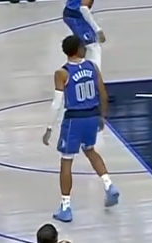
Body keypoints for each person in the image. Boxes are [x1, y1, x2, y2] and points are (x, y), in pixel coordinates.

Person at [42, 35, 119, 223]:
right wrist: (102, 116)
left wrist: (49, 127)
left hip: (74, 120)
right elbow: (103, 94)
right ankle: (109, 185)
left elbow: (57, 104)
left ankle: (66, 207)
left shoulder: (62, 73)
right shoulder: (92, 67)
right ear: (77, 49)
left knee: (66, 162)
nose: (85, 48)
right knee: (90, 151)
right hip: (92, 116)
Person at [62, 0, 111, 71]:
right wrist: (97, 29)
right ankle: (95, 76)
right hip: (75, 16)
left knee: (84, 46)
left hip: (72, 13)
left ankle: (80, 70)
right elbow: (83, 8)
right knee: (93, 46)